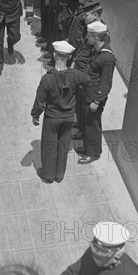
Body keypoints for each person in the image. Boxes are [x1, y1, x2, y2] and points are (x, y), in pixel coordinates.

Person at [31, 40, 90, 183]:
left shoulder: (48, 78)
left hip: (52, 118)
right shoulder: (76, 75)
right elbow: (89, 82)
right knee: (63, 146)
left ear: (54, 54)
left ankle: (48, 175)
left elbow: (40, 100)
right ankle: (59, 175)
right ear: (70, 57)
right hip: (69, 117)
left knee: (50, 146)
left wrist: (35, 114)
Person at [77, 21, 116, 164]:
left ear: (97, 37)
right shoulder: (97, 50)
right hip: (88, 92)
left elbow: (106, 83)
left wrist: (97, 101)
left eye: (89, 35)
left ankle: (93, 153)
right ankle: (88, 147)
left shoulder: (107, 58)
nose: (87, 38)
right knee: (87, 123)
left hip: (94, 96)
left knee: (92, 125)